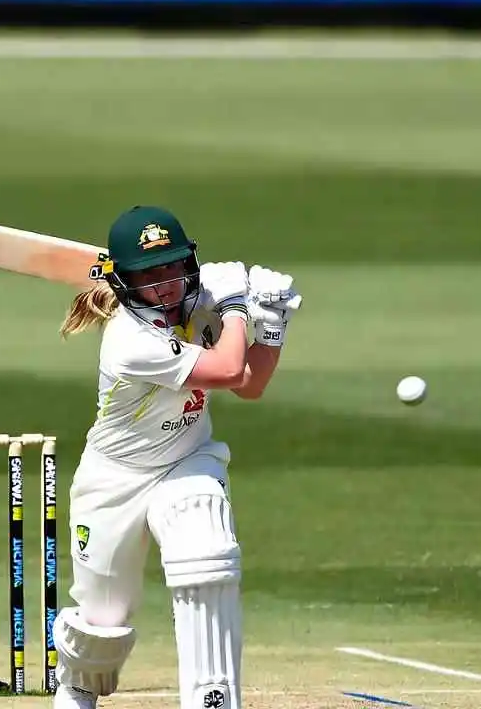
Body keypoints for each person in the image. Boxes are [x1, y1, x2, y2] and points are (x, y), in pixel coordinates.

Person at [51, 206, 301, 709]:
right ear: (123, 282)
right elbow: (232, 370)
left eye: (170, 266)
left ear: (189, 261)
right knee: (101, 628)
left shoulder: (200, 298)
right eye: (147, 274)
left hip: (188, 458)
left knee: (205, 552)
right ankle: (77, 694)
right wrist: (235, 307)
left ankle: (213, 700)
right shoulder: (129, 340)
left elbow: (252, 385)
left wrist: (271, 323)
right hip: (114, 478)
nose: (163, 284)